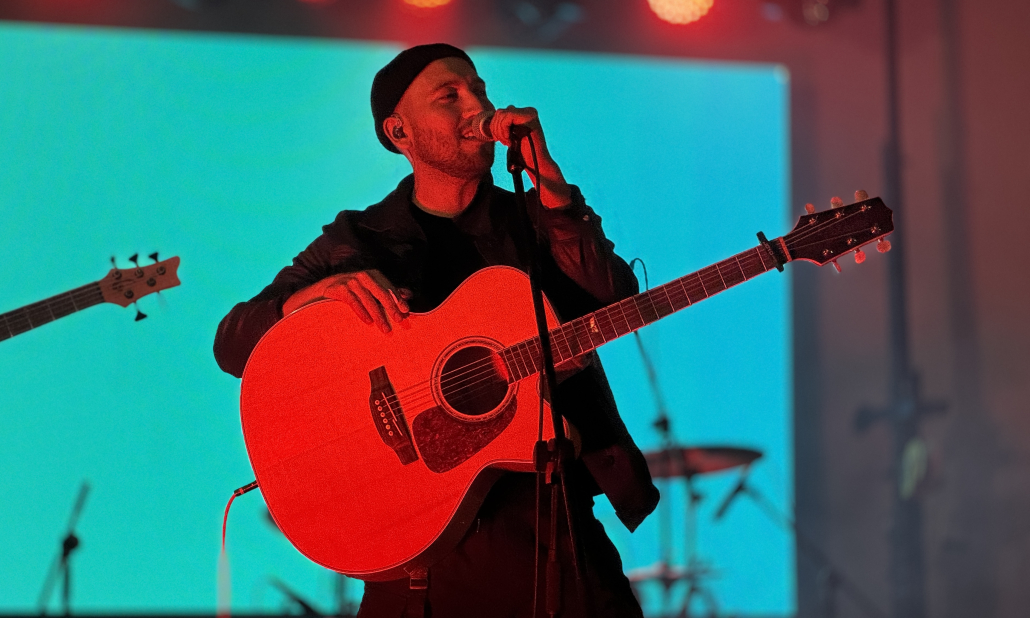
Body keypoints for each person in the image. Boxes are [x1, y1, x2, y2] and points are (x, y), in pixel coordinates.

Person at [214, 44, 659, 618]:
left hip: (556, 530)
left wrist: (549, 178)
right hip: (420, 555)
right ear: (400, 132)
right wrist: (311, 296)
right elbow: (233, 341)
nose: (475, 105)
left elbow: (614, 296)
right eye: (449, 96)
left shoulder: (536, 216)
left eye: (479, 89)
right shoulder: (360, 239)